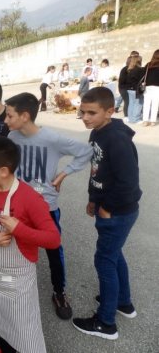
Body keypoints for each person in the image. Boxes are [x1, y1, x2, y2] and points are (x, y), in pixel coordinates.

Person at [0, 136, 61, 353]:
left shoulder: (29, 198)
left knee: (22, 324)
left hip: (17, 278)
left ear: (3, 171)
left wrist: (19, 230)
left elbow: (53, 239)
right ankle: (2, 347)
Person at [5, 92, 93, 320]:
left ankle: (59, 292)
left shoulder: (52, 139)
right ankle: (18, 285)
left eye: (9, 115)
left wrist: (63, 174)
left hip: (47, 206)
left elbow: (85, 152)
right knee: (17, 245)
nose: (5, 120)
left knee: (54, 250)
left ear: (25, 116)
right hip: (20, 204)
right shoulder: (12, 137)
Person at [74, 87, 141, 340]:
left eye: (92, 112)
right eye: (83, 112)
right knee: (113, 255)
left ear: (110, 112)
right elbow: (97, 170)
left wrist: (107, 207)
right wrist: (93, 198)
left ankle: (106, 323)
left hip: (118, 212)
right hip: (108, 206)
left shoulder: (117, 139)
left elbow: (128, 183)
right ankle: (123, 302)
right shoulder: (97, 132)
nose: (86, 117)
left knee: (104, 261)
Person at [126, 55, 146, 124]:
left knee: (131, 104)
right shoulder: (139, 70)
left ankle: (131, 118)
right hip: (135, 89)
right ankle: (135, 119)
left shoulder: (130, 69)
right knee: (138, 104)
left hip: (129, 89)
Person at [141, 49, 159, 126]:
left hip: (147, 86)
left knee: (146, 104)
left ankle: (145, 120)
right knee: (155, 104)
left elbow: (143, 74)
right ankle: (153, 121)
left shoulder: (148, 65)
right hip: (157, 87)